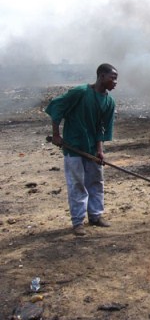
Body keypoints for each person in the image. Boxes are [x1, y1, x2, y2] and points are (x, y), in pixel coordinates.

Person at [45, 63, 118, 236]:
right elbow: (57, 107)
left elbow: (102, 128)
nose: (115, 82)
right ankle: (78, 222)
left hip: (92, 149)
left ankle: (95, 216)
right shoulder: (81, 92)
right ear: (101, 76)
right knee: (77, 184)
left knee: (96, 181)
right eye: (112, 78)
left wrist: (100, 150)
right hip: (74, 146)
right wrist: (56, 135)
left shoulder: (109, 102)